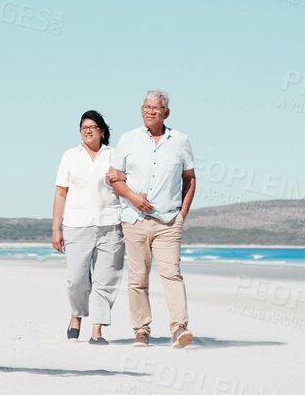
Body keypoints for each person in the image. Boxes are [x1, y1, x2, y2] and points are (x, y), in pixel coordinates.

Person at [106, 89, 198, 347]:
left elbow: (190, 180)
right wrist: (134, 198)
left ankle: (179, 328)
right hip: (134, 220)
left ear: (165, 112)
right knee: (138, 279)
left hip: (168, 221)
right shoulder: (128, 140)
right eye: (146, 107)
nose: (149, 111)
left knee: (172, 275)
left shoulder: (180, 141)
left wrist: (182, 215)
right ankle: (141, 330)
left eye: (155, 108)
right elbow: (114, 178)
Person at [53, 110, 123, 344]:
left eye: (93, 126)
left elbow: (126, 186)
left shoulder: (115, 156)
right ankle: (77, 314)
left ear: (102, 131)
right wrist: (56, 229)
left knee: (106, 279)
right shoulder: (70, 156)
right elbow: (61, 193)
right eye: (84, 127)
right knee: (76, 279)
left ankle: (97, 331)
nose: (88, 130)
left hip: (110, 224)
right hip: (76, 224)